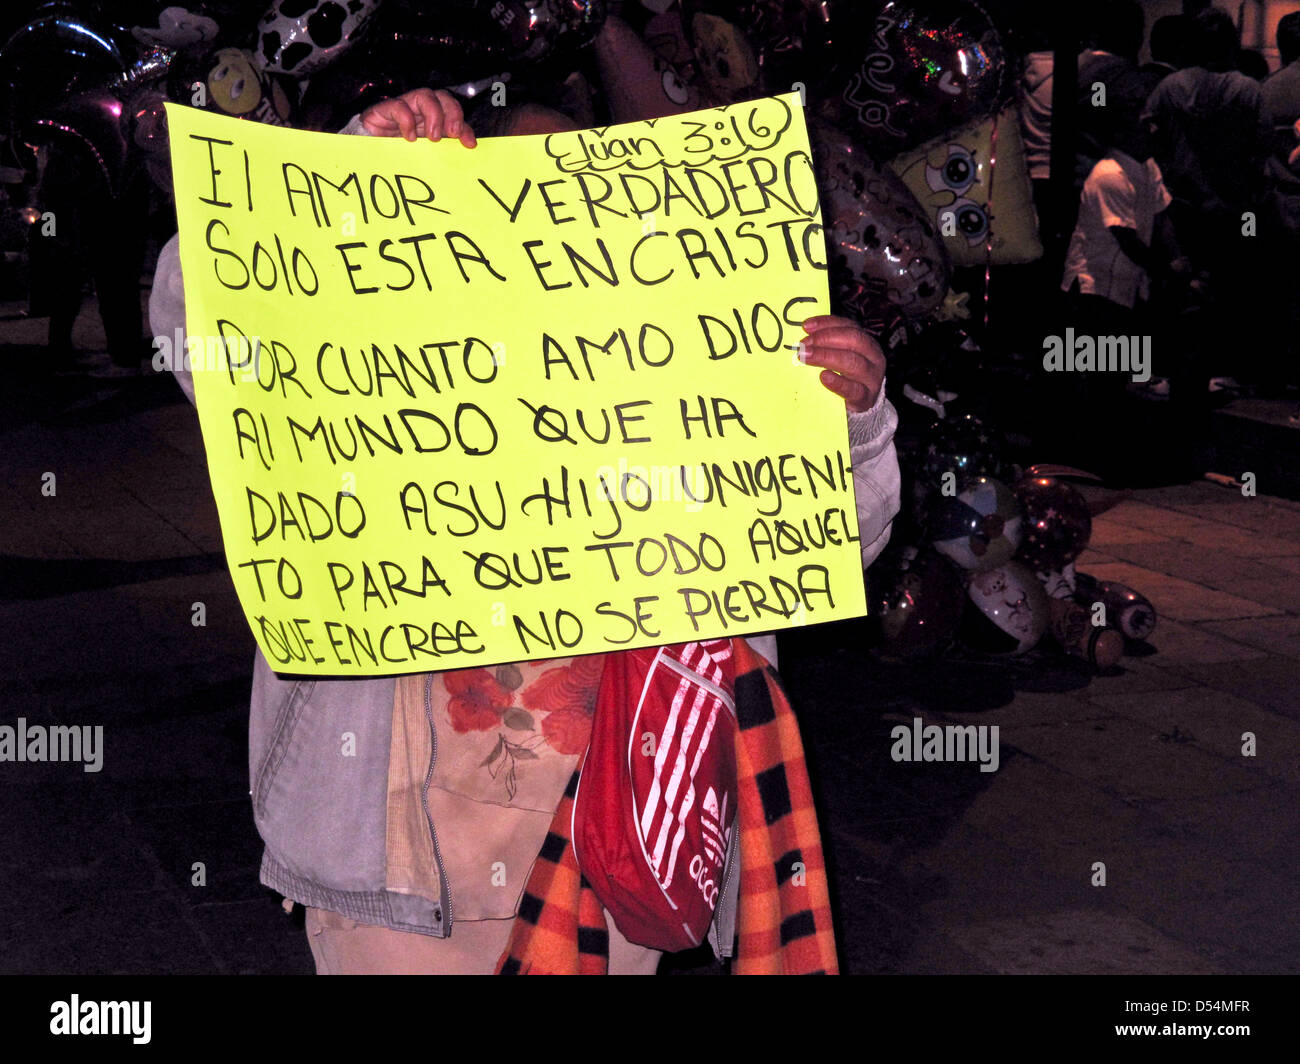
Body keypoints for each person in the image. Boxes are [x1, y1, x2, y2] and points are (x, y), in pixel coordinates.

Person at [150, 86, 901, 974]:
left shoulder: (677, 364)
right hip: (394, 870)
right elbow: (202, 316)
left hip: (618, 841)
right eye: (518, 185)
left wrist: (854, 422)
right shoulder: (380, 354)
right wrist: (347, 174)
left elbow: (833, 548)